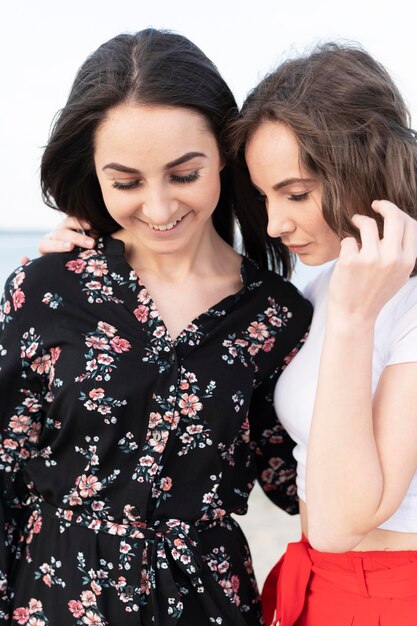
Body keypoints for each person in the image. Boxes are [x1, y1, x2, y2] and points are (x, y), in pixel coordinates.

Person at [0, 29, 313, 626]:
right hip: (53, 599)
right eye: (126, 183)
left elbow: (294, 484)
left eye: (184, 175)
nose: (161, 208)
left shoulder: (279, 314)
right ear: (93, 174)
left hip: (208, 604)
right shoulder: (46, 289)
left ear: (225, 153)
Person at [226, 43, 417, 625]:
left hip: (390, 597)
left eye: (297, 193)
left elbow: (340, 522)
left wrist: (355, 320)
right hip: (317, 585)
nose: (275, 223)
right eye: (264, 197)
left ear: (365, 164)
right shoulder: (329, 282)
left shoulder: (393, 301)